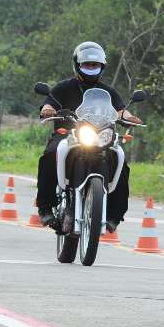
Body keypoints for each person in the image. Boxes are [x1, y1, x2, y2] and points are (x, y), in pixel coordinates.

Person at [36, 41, 141, 232]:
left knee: (120, 161)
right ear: (77, 65)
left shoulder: (108, 91)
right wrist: (48, 110)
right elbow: (49, 104)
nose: (91, 68)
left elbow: (120, 111)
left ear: (102, 66)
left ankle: (114, 215)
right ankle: (45, 206)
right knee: (51, 154)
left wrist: (129, 117)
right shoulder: (63, 87)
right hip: (68, 135)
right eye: (87, 65)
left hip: (100, 137)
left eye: (95, 65)